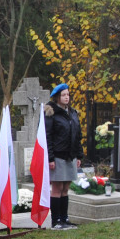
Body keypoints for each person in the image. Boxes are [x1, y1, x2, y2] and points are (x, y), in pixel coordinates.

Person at [44, 83, 84, 230]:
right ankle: (56, 221)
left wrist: (79, 155)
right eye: (63, 95)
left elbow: (77, 135)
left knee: (66, 188)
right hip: (58, 156)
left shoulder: (72, 113)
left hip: (70, 155)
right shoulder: (51, 113)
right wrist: (50, 158)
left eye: (68, 94)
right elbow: (47, 136)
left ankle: (65, 218)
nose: (66, 97)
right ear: (57, 97)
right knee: (57, 187)